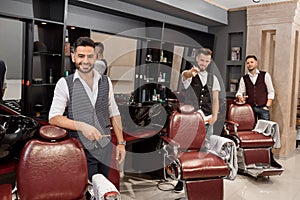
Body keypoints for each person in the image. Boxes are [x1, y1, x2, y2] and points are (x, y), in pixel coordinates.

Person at [48, 37, 126, 184]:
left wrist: (121, 142)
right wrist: (81, 126)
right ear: (73, 57)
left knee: (103, 188)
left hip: (105, 146)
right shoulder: (65, 84)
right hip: (80, 149)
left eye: (90, 56)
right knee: (85, 188)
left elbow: (114, 112)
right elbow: (54, 117)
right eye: (81, 56)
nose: (86, 61)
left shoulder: (106, 81)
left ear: (95, 57)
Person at [174, 47, 221, 193]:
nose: (203, 63)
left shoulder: (214, 78)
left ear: (210, 61)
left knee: (205, 150)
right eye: (201, 60)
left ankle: (202, 179)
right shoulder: (188, 74)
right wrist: (190, 73)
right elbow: (186, 75)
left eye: (206, 61)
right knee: (186, 150)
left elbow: (215, 98)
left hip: (207, 119)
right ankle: (182, 180)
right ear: (197, 59)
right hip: (191, 120)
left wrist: (215, 116)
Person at [236, 55, 275, 120]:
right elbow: (239, 92)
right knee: (251, 128)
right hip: (250, 108)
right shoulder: (244, 78)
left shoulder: (265, 75)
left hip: (263, 108)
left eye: (251, 62)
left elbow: (271, 91)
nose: (249, 64)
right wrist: (240, 97)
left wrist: (267, 106)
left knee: (264, 128)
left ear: (256, 63)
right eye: (248, 63)